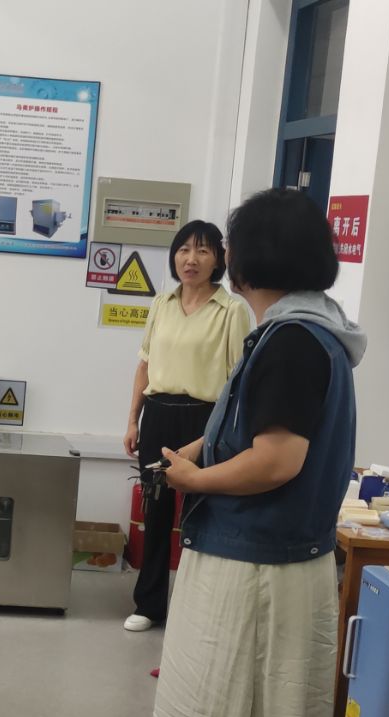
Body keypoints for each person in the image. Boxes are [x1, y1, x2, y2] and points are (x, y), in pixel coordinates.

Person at [129, 188, 365, 717]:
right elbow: (249, 431)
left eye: (226, 246)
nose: (217, 256)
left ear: (251, 258)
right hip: (270, 562)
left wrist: (193, 481)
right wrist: (200, 451)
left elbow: (278, 459)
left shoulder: (292, 343)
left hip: (254, 571)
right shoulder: (303, 332)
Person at [121, 220, 250, 633]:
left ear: (218, 261)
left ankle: (199, 611)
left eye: (203, 251)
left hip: (204, 419)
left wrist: (207, 439)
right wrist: (133, 420)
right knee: (156, 512)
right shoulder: (161, 304)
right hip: (158, 415)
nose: (191, 259)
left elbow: (238, 384)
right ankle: (149, 605)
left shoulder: (232, 311)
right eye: (183, 250)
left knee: (201, 516)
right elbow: (144, 366)